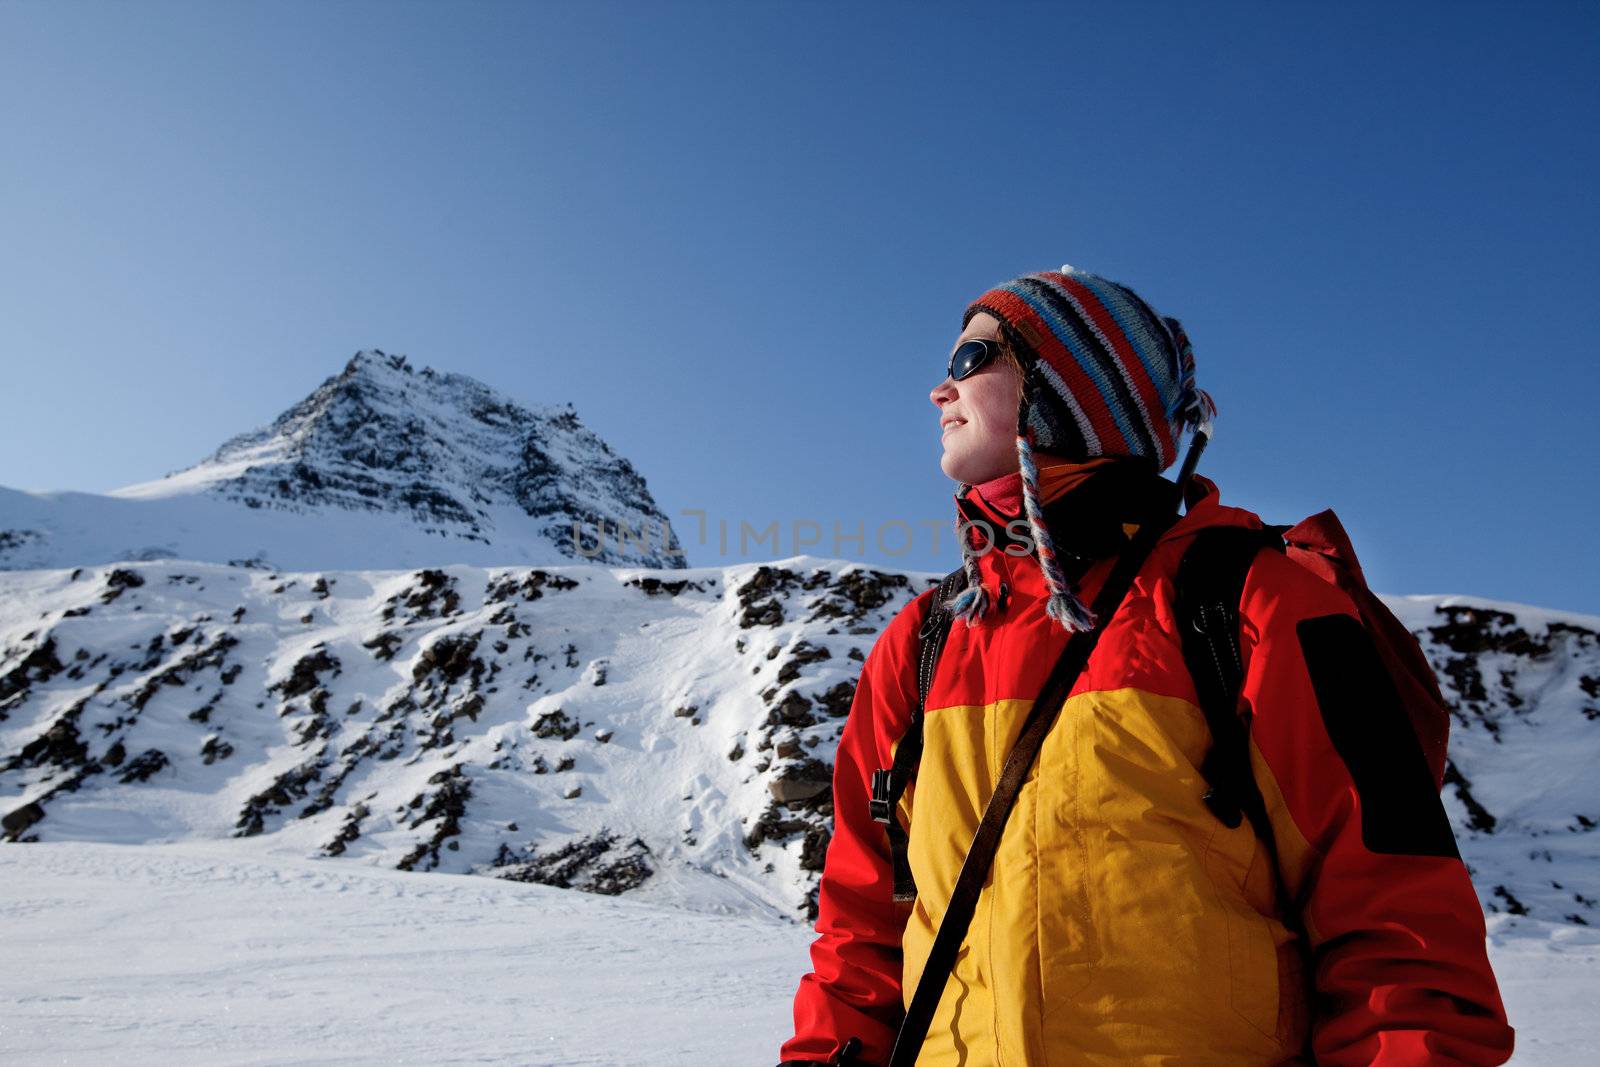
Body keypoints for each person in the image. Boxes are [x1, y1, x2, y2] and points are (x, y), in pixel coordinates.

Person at [777, 265, 1513, 1065]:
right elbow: (860, 940)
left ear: (1065, 387)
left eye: (969, 360)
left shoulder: (1257, 605)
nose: (937, 391)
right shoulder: (922, 642)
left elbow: (1400, 940)